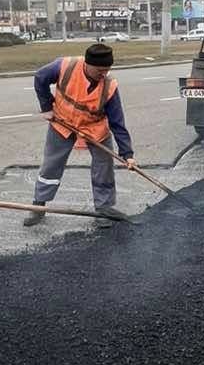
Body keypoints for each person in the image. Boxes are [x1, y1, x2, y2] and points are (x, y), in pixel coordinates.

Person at [23, 41, 136, 226]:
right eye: (100, 70)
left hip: (95, 127)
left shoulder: (109, 86)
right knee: (52, 164)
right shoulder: (65, 66)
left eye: (107, 70)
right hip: (63, 122)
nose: (104, 74)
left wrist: (128, 154)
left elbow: (117, 122)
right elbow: (40, 77)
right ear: (87, 64)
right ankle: (39, 206)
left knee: (104, 166)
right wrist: (46, 106)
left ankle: (104, 209)